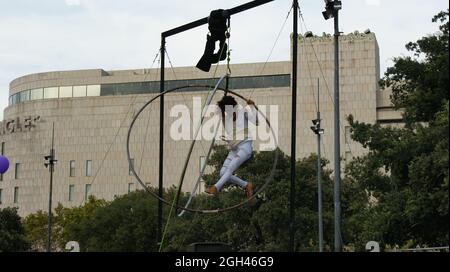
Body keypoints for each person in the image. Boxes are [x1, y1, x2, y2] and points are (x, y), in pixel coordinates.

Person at [205, 95, 257, 199]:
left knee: (230, 168)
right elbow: (216, 113)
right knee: (223, 173)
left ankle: (216, 187)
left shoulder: (243, 111)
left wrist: (252, 107)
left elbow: (256, 121)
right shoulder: (225, 117)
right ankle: (246, 185)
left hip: (244, 146)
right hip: (234, 149)